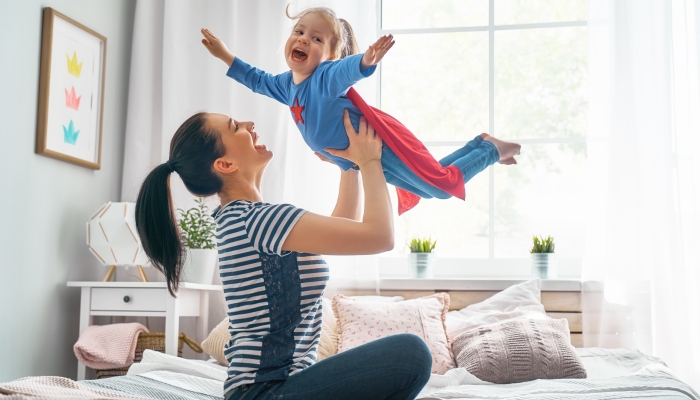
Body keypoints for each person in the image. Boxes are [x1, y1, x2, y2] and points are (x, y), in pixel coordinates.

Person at [134, 110, 432, 399]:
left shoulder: (243, 219)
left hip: (267, 388)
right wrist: (369, 162)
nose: (249, 124)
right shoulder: (257, 221)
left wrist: (348, 166)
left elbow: (347, 226)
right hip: (267, 390)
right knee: (411, 353)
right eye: (235, 126)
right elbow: (380, 236)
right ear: (224, 164)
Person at [200, 6, 521, 214]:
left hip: (377, 150)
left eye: (316, 38)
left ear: (330, 54)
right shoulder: (287, 85)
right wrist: (226, 56)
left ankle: (489, 149)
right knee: (432, 185)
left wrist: (366, 61)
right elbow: (257, 80)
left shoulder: (324, 77)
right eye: (299, 32)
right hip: (361, 159)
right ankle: (480, 145)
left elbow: (345, 72)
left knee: (438, 188)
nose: (302, 40)